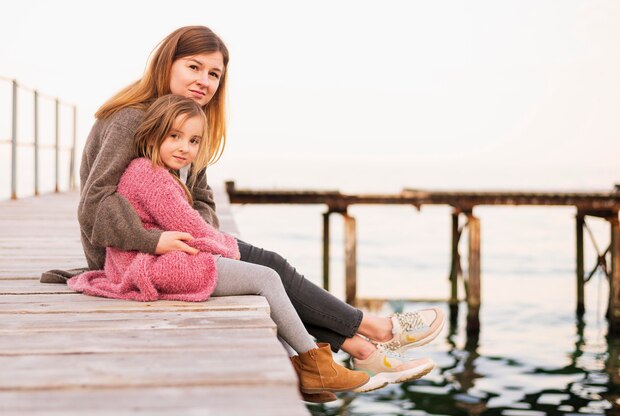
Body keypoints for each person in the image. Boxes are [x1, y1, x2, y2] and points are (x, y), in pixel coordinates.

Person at [42, 25, 444, 399]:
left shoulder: (186, 123)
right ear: (167, 64)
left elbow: (201, 201)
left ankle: (360, 346)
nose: (204, 80)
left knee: (268, 268)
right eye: (194, 67)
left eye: (214, 74)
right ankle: (373, 331)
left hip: (176, 240)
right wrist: (153, 239)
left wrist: (200, 234)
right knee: (269, 266)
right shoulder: (135, 118)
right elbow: (94, 204)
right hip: (130, 253)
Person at [68, 94, 370, 395]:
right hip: (150, 266)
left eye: (194, 141)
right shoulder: (151, 176)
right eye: (174, 136)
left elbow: (191, 224)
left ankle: (300, 365)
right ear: (152, 134)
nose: (185, 147)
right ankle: (316, 365)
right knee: (266, 277)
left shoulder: (150, 171)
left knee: (259, 280)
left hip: (147, 260)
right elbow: (193, 227)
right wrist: (233, 253)